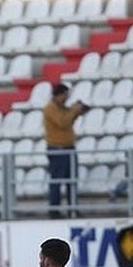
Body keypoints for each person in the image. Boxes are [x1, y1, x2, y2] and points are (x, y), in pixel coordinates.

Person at [42, 84, 87, 219]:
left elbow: (68, 121)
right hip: (58, 149)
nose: (67, 98)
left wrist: (77, 112)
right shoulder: (51, 109)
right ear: (59, 95)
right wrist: (74, 110)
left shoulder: (62, 108)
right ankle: (54, 209)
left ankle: (72, 208)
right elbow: (62, 122)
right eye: (65, 95)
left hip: (68, 148)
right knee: (57, 180)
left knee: (71, 180)